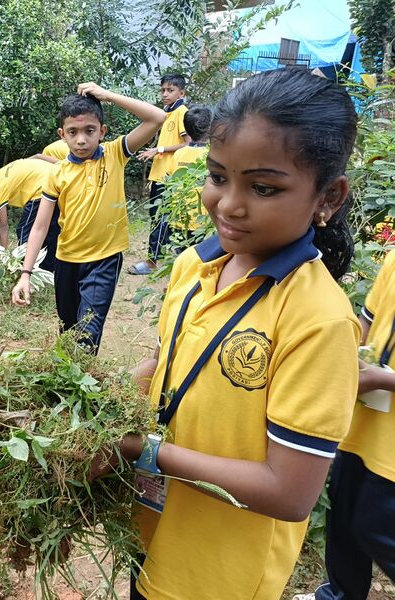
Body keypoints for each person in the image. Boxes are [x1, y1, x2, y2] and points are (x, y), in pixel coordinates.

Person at [89, 68, 361, 599]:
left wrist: (141, 450)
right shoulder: (194, 265)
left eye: (263, 188)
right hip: (152, 532)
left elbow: (289, 493)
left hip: (221, 573)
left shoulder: (319, 319)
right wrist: (95, 408)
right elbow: (166, 363)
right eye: (218, 177)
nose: (229, 204)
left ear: (328, 197)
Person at [313, 182, 395, 600]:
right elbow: (367, 326)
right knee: (342, 520)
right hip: (362, 428)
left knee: (381, 528)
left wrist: (381, 380)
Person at [11, 83, 166, 353]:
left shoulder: (115, 154)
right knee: (68, 330)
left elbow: (157, 117)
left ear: (102, 131)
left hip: (104, 260)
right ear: (62, 135)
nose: (81, 139)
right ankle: (68, 376)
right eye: (73, 132)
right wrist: (25, 273)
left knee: (87, 335)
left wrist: (108, 96)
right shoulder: (57, 172)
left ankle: (85, 374)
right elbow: (40, 226)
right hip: (66, 260)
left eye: (89, 131)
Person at [129, 73, 190, 275]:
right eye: (163, 90)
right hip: (160, 175)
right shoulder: (166, 113)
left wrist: (159, 150)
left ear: (181, 93)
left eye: (170, 90)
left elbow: (188, 143)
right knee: (159, 217)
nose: (165, 94)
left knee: (161, 218)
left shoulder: (182, 113)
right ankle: (172, 259)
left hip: (170, 177)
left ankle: (153, 262)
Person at [0, 158, 60, 272]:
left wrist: (3, 256)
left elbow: (3, 225)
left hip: (41, 190)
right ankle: (47, 267)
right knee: (52, 230)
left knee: (24, 230)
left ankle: (24, 267)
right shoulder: (1, 173)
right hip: (56, 182)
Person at [161, 105, 212, 251]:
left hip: (179, 218)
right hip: (203, 222)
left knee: (182, 256)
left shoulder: (179, 154)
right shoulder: (211, 154)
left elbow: (168, 181)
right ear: (210, 129)